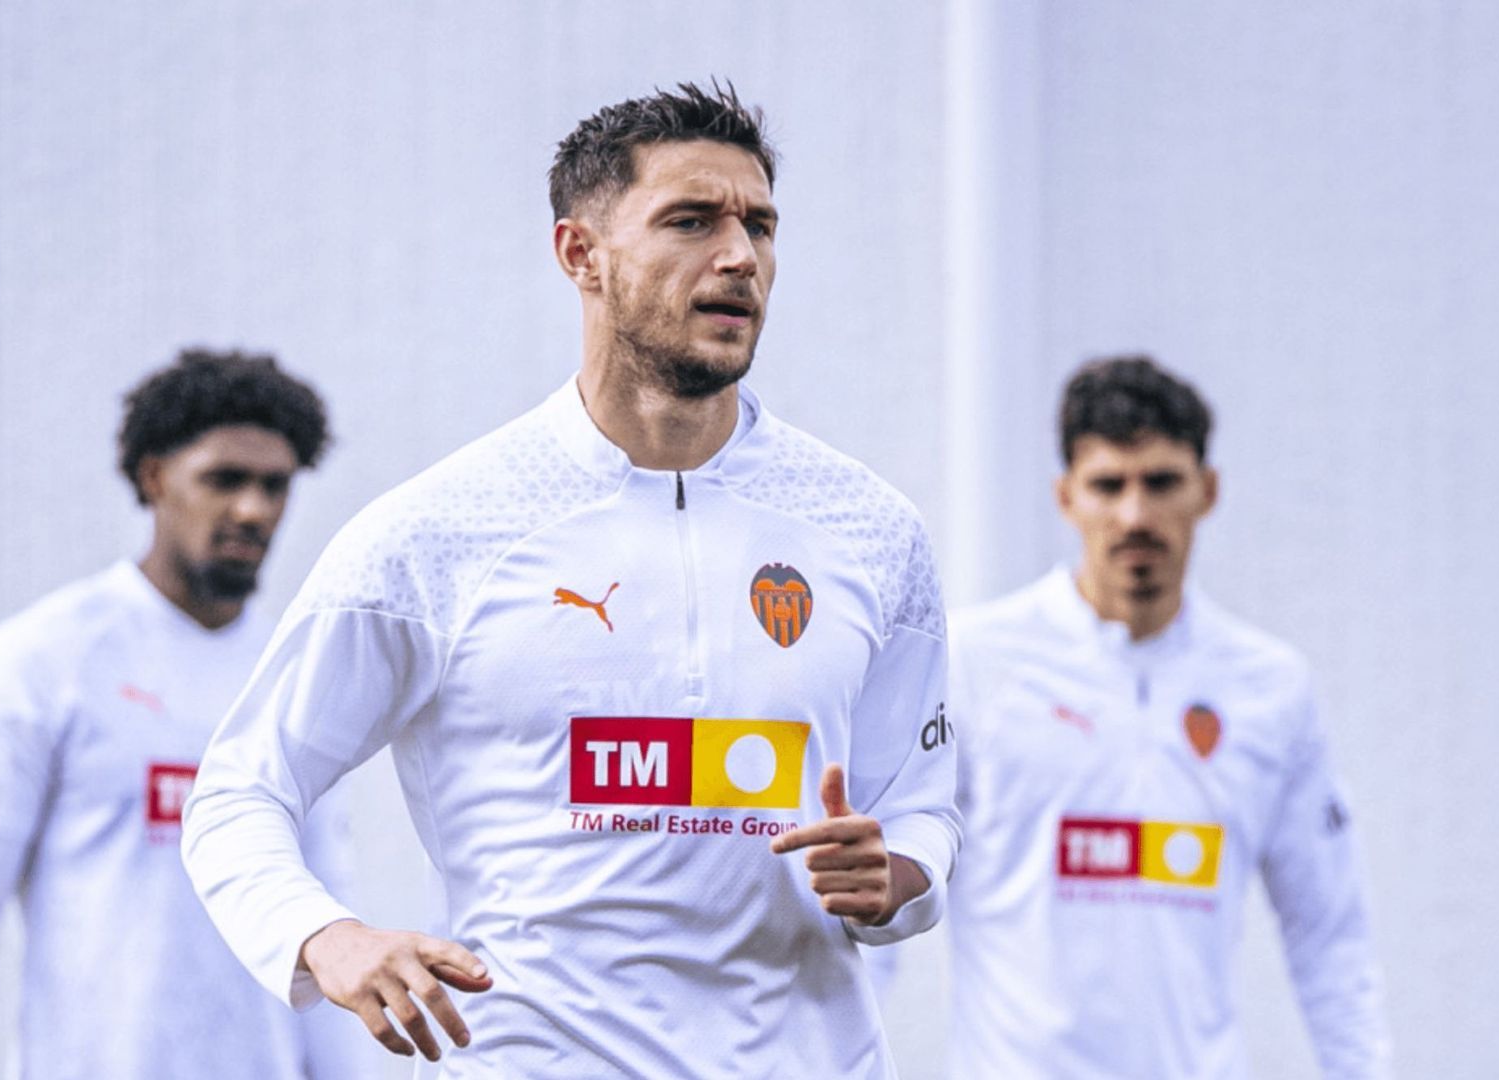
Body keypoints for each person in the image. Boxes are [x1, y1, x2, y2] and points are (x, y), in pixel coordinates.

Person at [181, 82, 960, 1078]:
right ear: (579, 254)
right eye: (691, 221)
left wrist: (895, 877)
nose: (739, 257)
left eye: (760, 226)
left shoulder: (870, 531)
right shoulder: (443, 530)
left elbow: (923, 807)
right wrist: (327, 939)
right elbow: (240, 787)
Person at [0, 349, 369, 1079]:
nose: (253, 508)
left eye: (274, 485)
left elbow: (329, 917)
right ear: (155, 478)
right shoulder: (43, 661)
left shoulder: (294, 675)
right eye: (224, 480)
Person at [944, 355, 1391, 1077]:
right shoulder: (974, 662)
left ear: (1206, 491)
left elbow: (1329, 933)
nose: (1134, 515)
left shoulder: (1269, 688)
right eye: (1107, 485)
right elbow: (887, 895)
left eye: (1160, 482)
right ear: (1066, 498)